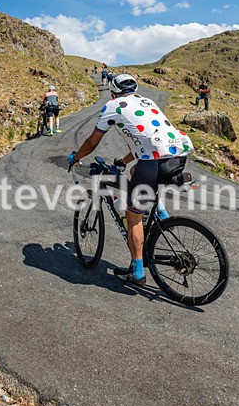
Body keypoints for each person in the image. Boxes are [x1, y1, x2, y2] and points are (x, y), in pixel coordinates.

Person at [67, 74, 194, 287]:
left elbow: (92, 142)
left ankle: (137, 273)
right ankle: (161, 212)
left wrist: (76, 157)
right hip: (178, 154)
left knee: (133, 215)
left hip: (154, 160)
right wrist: (123, 160)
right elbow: (147, 138)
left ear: (113, 92)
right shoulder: (147, 101)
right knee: (137, 170)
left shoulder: (113, 105)